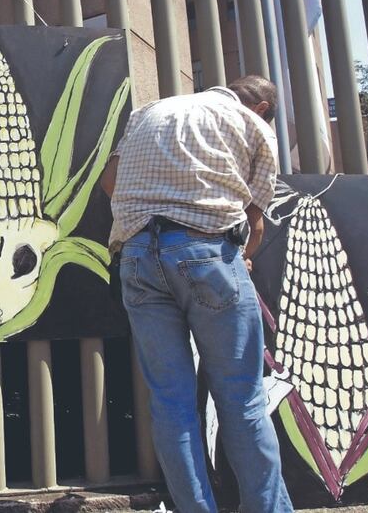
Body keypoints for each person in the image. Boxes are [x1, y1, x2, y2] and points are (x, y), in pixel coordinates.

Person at [101, 76, 293, 513]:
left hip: (137, 255)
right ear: (262, 108)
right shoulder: (251, 124)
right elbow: (256, 222)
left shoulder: (149, 112)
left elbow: (110, 181)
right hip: (207, 251)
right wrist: (242, 257)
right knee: (241, 399)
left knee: (171, 401)